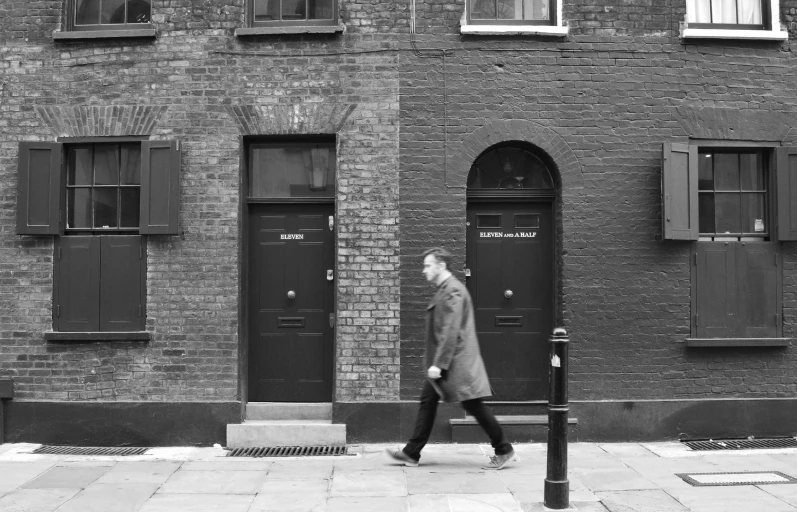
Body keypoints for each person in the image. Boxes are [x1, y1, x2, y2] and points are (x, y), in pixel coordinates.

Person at [385, 247, 517, 470]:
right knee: (430, 402)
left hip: (456, 363)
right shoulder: (445, 289)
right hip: (452, 362)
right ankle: (411, 452)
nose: (423, 271)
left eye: (427, 265)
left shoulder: (453, 290)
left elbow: (451, 330)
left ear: (441, 266)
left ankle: (504, 449)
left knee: (473, 405)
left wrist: (439, 364)